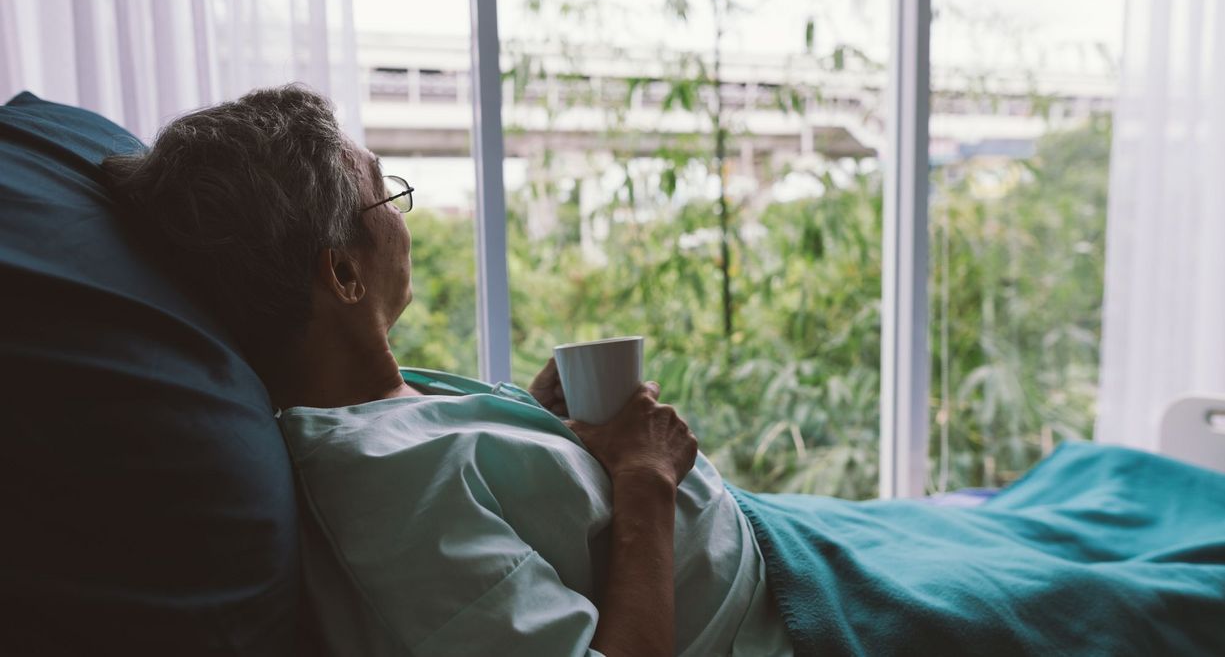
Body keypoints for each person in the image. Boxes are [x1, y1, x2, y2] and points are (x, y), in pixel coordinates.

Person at [103, 85, 1225, 657]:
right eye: (386, 194)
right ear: (341, 275)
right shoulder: (378, 490)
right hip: (784, 611)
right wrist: (640, 486)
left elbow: (506, 500)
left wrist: (545, 422)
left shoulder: (386, 404)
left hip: (784, 539)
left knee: (1094, 498)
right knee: (1120, 593)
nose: (409, 218)